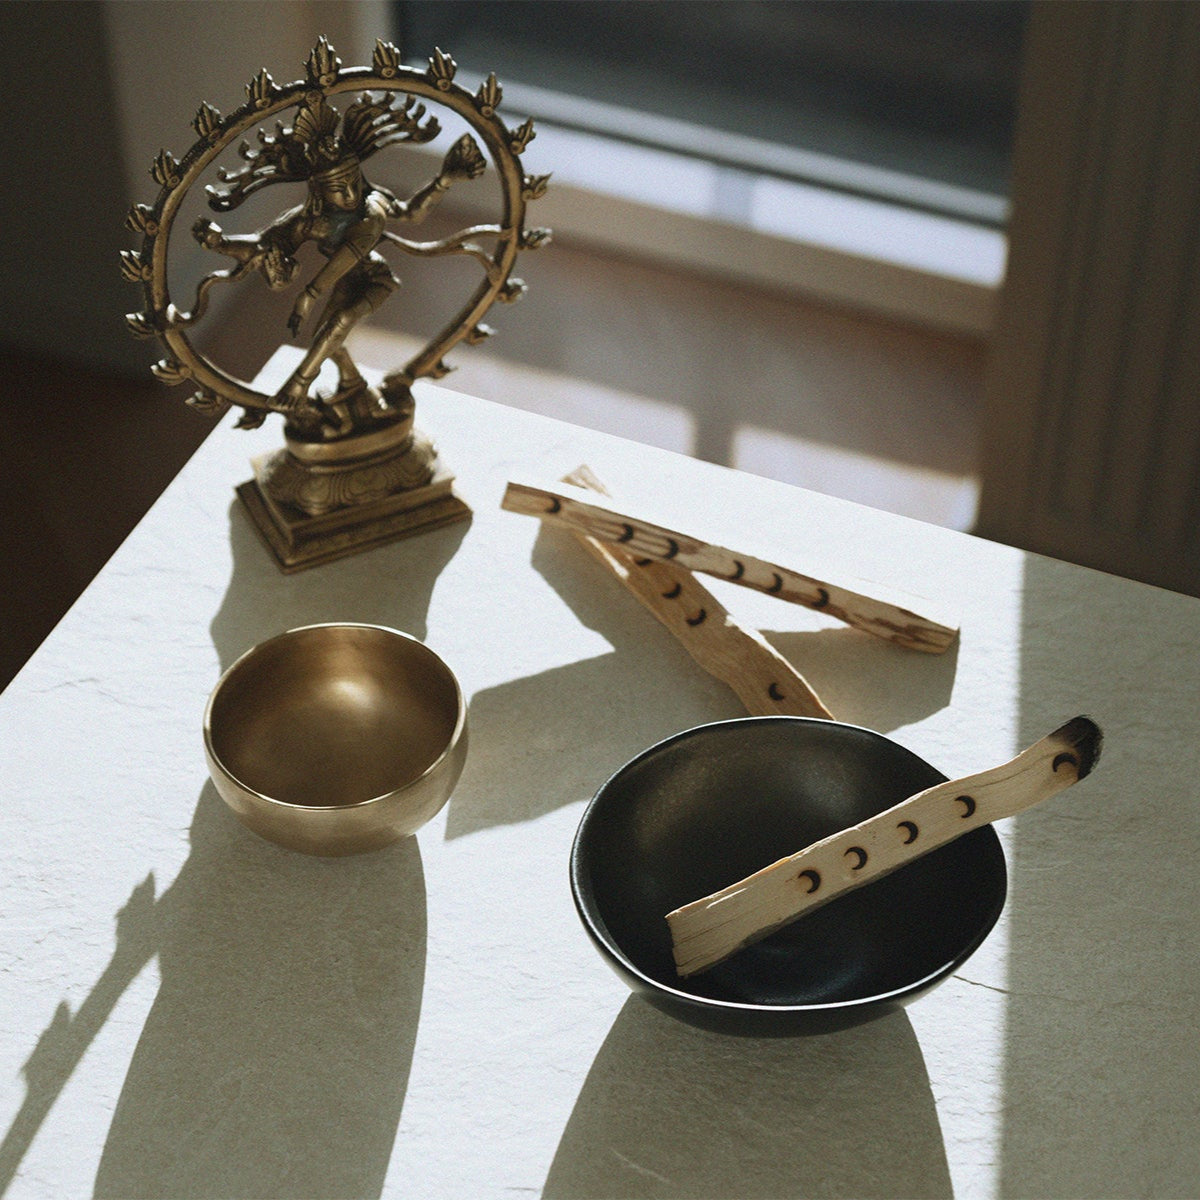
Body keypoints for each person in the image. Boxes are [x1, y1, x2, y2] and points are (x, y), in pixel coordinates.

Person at [192, 94, 484, 435]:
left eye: (352, 183)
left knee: (340, 322)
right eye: (336, 189)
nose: (348, 194)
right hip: (346, 280)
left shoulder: (371, 209)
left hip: (374, 277)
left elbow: (408, 216)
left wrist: (445, 179)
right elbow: (264, 245)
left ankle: (298, 385)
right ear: (318, 192)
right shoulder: (309, 221)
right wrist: (221, 243)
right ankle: (354, 387)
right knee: (328, 340)